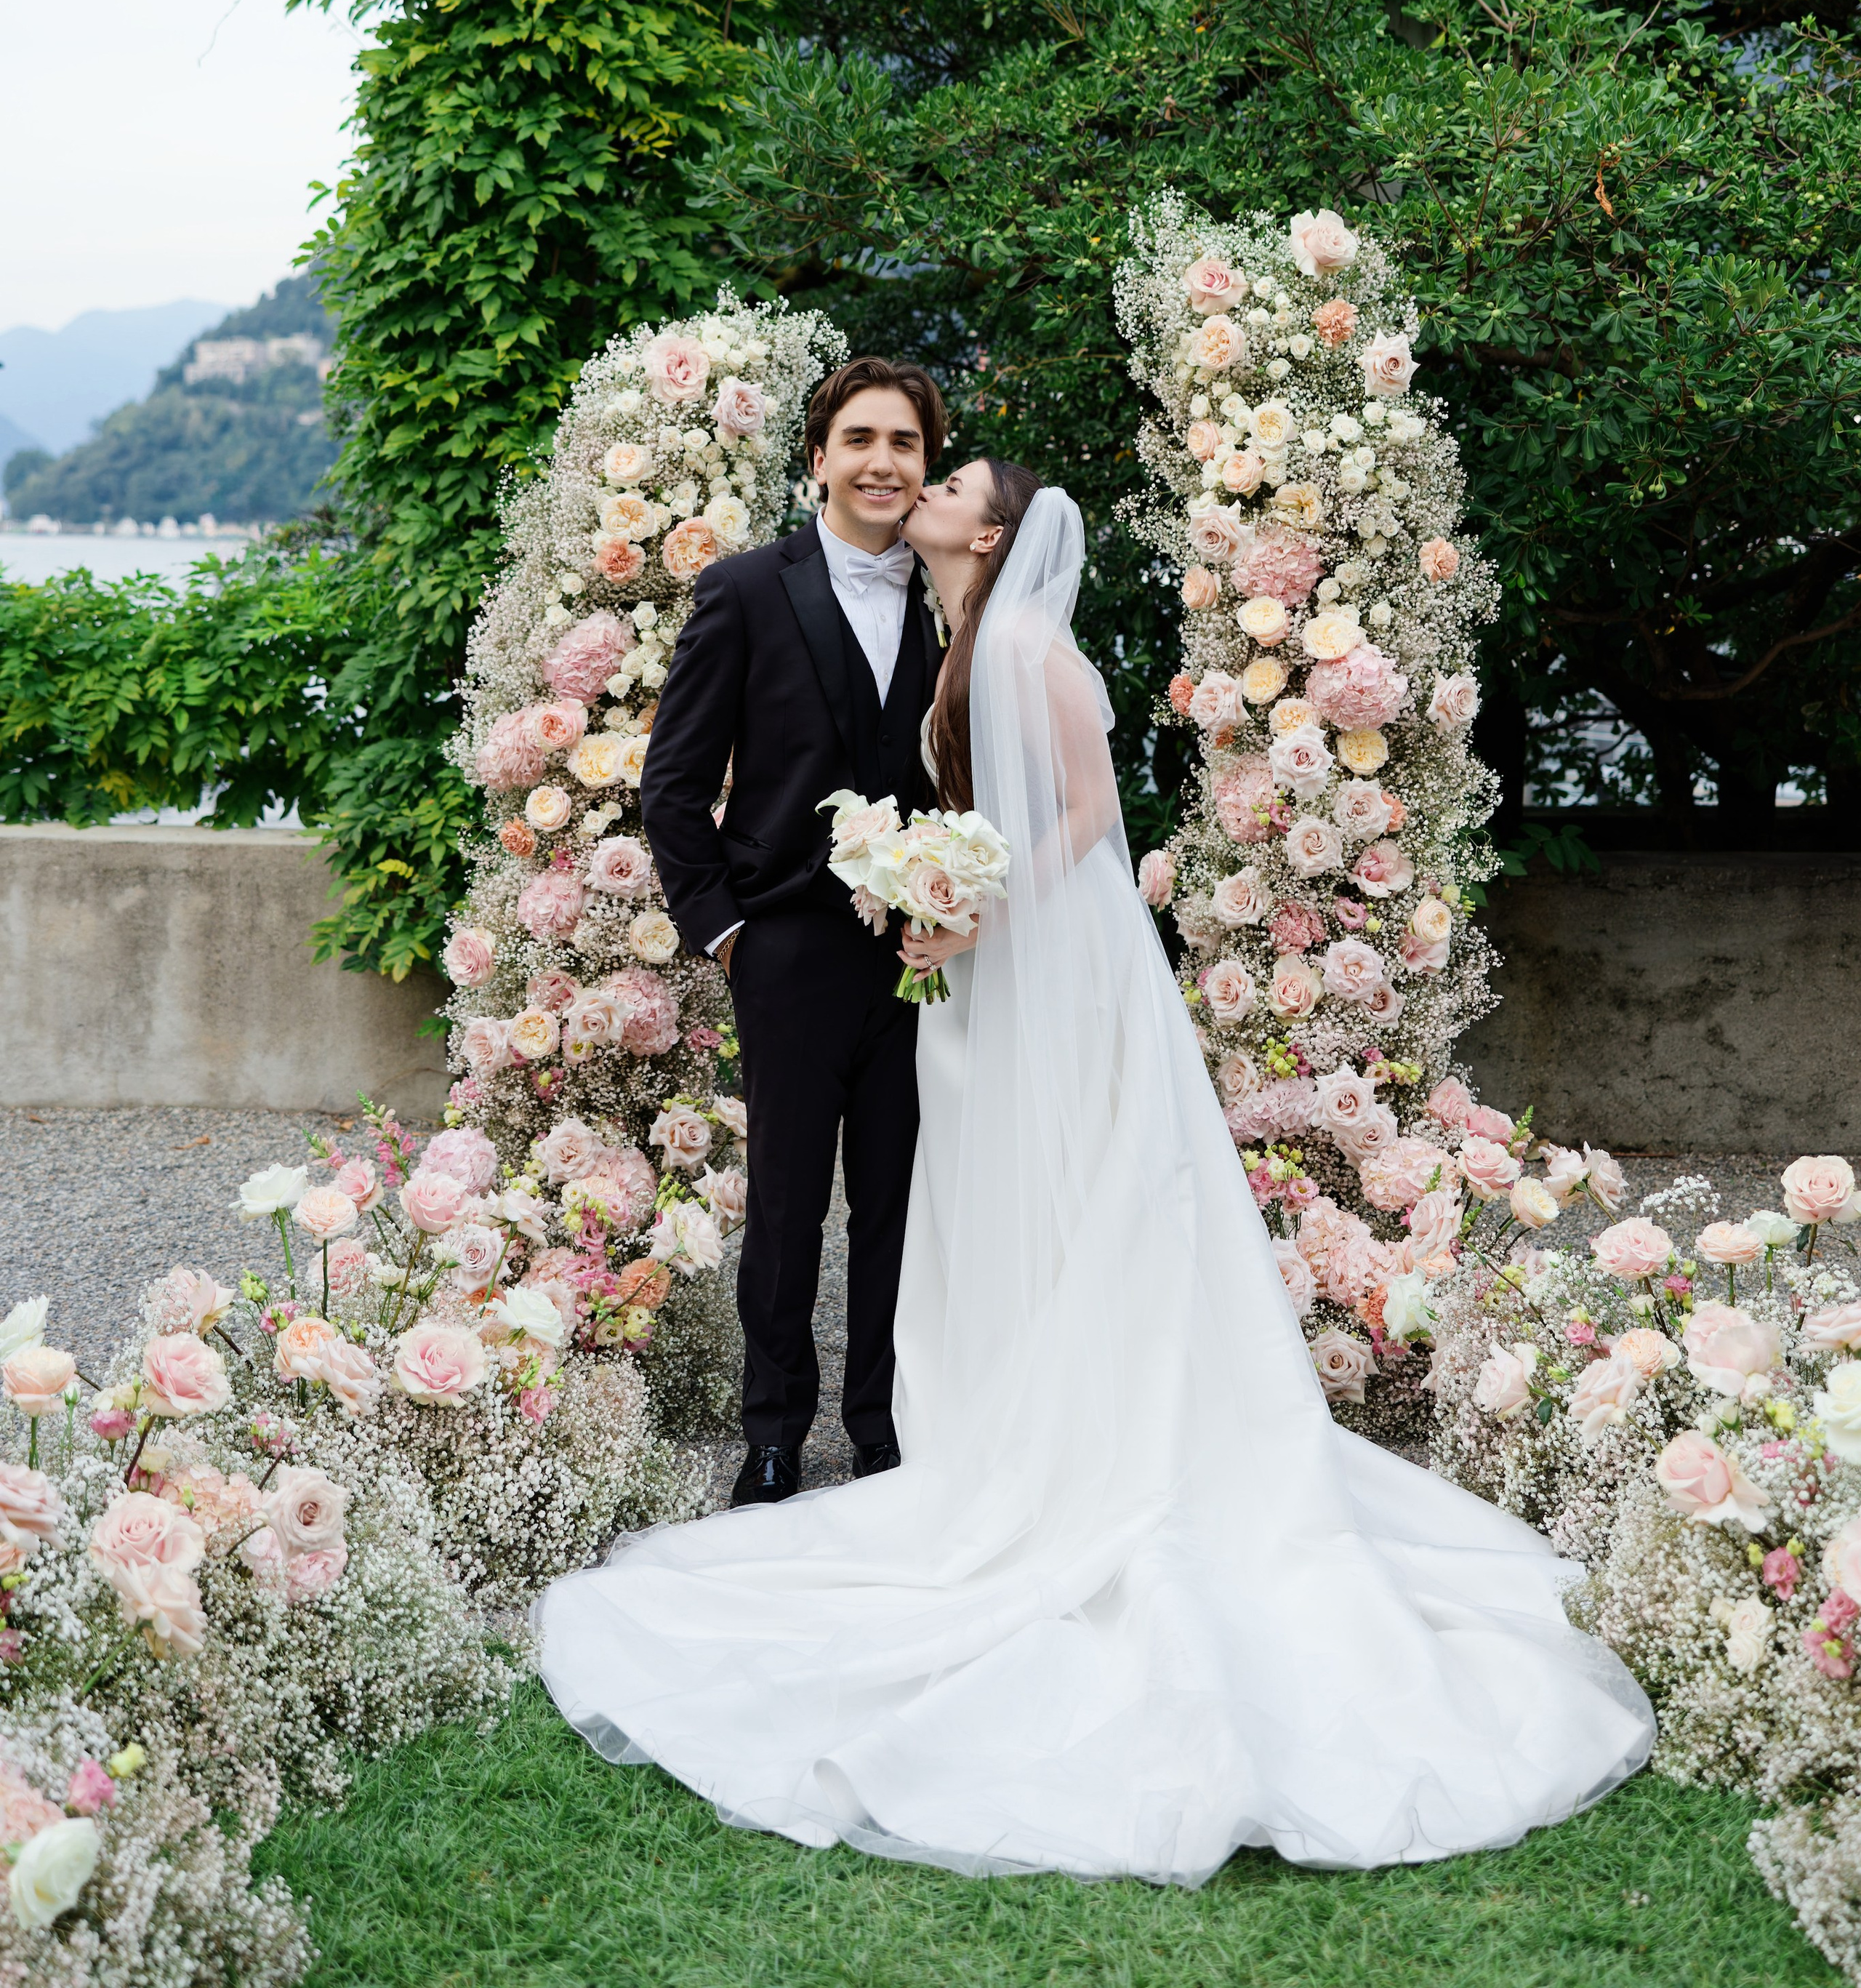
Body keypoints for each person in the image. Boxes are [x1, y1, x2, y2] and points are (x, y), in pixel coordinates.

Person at [542, 468, 1655, 1883]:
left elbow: (1088, 810)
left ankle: (1086, 1448)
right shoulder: (966, 641)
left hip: (1053, 974)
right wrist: (936, 892)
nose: (923, 489)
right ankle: (1011, 1428)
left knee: (1080, 1199)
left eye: (945, 484)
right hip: (990, 977)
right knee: (1015, 1211)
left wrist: (967, 897)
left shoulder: (1018, 646)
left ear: (988, 535)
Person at [640, 355, 948, 1507]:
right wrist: (724, 932)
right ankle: (773, 1430)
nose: (882, 462)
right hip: (785, 952)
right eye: (860, 439)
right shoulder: (744, 590)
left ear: (926, 464)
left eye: (905, 444)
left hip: (923, 962)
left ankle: (881, 1424)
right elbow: (672, 786)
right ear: (818, 458)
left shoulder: (955, 593)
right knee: (783, 1206)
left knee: (901, 1201)